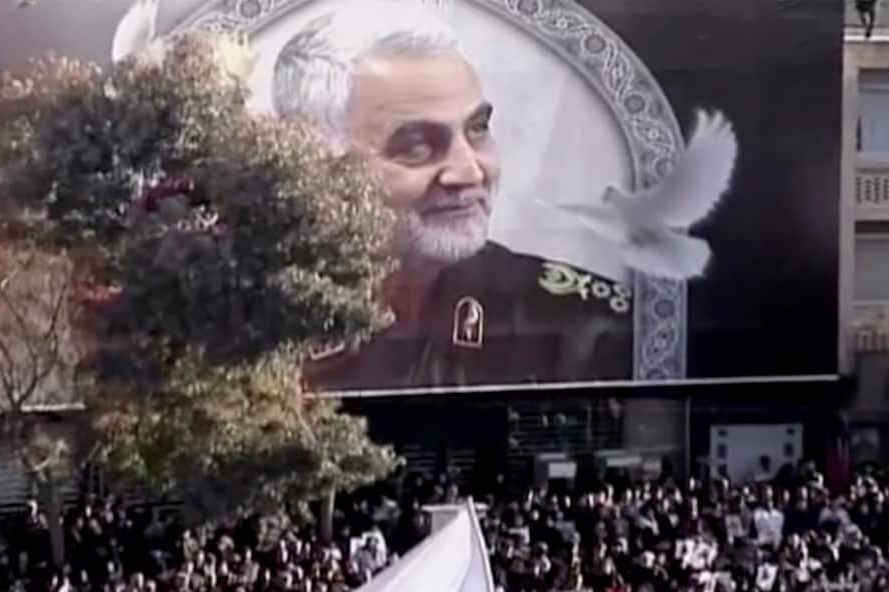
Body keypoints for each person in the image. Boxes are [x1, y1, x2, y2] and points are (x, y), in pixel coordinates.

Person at [270, 1, 633, 391]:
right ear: (314, 161)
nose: (471, 171)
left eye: (477, 129)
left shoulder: (583, 327)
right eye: (417, 146)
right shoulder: (239, 321)